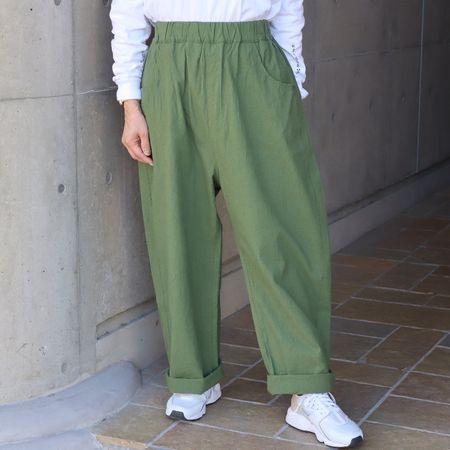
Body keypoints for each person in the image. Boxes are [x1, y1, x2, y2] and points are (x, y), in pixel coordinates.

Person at [109, 1, 364, 447]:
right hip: (170, 69)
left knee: (282, 230)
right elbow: (127, 15)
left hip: (255, 64)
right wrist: (131, 102)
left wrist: (290, 82)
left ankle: (307, 386)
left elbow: (289, 9)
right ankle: (193, 375)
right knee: (178, 229)